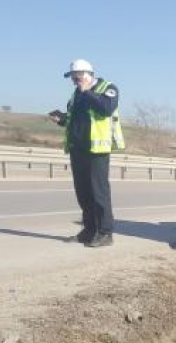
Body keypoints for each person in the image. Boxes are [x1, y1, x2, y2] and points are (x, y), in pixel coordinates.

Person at [49, 59, 125, 247]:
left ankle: (105, 233)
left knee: (99, 193)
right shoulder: (76, 94)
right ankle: (89, 230)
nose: (75, 81)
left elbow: (106, 109)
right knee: (83, 193)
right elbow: (76, 119)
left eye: (78, 77)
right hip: (78, 149)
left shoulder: (108, 88)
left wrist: (87, 91)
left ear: (89, 74)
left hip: (97, 150)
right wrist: (61, 119)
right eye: (73, 78)